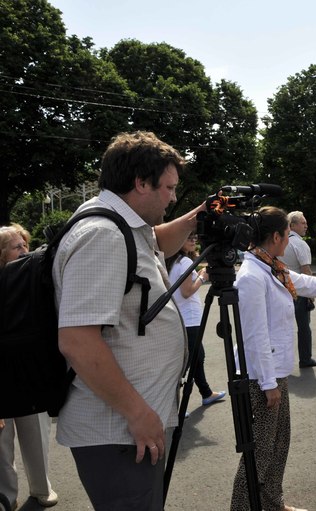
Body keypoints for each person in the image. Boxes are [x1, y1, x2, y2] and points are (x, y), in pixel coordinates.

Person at [52, 131, 202, 510]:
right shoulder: (102, 235)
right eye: (169, 188)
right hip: (119, 431)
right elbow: (77, 341)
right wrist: (138, 414)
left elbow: (156, 242)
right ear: (140, 183)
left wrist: (198, 218)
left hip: (127, 427)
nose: (173, 197)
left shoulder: (122, 224)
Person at [230, 206, 316, 511]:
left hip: (275, 372)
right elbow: (255, 336)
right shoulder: (253, 276)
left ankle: (272, 503)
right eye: (287, 235)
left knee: (279, 444)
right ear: (276, 237)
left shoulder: (271, 267)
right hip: (260, 377)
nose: (289, 240)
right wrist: (268, 384)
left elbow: (306, 283)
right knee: (259, 452)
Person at [0, 226, 59, 509]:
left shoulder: (33, 278)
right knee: (2, 444)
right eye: (17, 247)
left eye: (25, 245)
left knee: (36, 434)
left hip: (29, 371)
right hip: (2, 376)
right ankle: (5, 496)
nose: (25, 251)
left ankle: (41, 487)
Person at [166, 234, 227, 409]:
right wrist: (202, 277)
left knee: (195, 358)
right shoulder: (185, 262)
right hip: (189, 318)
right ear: (179, 241)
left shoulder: (173, 261)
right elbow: (186, 292)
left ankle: (206, 393)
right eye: (189, 238)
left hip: (181, 317)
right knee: (190, 361)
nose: (193, 241)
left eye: (194, 238)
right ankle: (172, 406)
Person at [278, 211, 316, 368]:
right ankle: (305, 359)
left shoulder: (280, 242)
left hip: (280, 289)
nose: (306, 226)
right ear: (292, 225)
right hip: (299, 291)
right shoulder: (300, 244)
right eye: (303, 223)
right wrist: (311, 293)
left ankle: (279, 361)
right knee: (304, 327)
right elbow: (306, 271)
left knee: (280, 327)